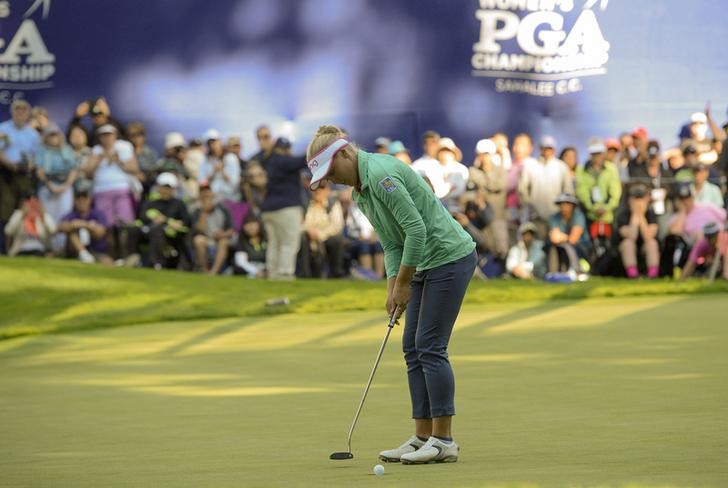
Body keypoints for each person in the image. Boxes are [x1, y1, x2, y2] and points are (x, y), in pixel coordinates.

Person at [305, 125, 476, 464]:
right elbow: (392, 241)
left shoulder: (382, 176)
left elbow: (416, 229)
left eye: (330, 171)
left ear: (344, 154)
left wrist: (403, 284)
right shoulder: (360, 191)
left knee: (430, 346)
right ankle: (422, 435)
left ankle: (444, 440)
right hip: (424, 261)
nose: (330, 180)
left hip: (449, 257)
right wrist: (391, 286)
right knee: (412, 347)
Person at [83, 124, 139, 258]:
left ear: (115, 135)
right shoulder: (96, 151)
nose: (107, 138)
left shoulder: (124, 147)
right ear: (100, 138)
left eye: (109, 135)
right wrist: (98, 160)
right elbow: (87, 173)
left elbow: (134, 168)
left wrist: (119, 161)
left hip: (121, 190)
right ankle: (110, 257)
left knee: (124, 225)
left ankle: (126, 256)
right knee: (106, 226)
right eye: (104, 135)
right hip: (102, 191)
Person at [260, 137, 305, 280]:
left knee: (274, 243)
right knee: (288, 242)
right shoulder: (283, 160)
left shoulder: (269, 161)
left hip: (268, 209)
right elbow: (305, 160)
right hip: (286, 208)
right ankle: (285, 274)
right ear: (286, 149)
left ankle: (273, 274)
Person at [126, 172, 191, 270]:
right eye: (163, 187)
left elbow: (185, 221)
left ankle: (155, 263)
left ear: (173, 189)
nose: (165, 190)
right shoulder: (150, 202)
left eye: (168, 188)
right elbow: (142, 217)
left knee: (156, 230)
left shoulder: (179, 204)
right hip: (148, 230)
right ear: (158, 187)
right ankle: (133, 258)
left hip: (170, 235)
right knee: (133, 229)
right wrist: (153, 219)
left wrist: (170, 222)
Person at [575, 138, 622, 271]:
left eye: (599, 153)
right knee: (589, 244)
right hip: (589, 215)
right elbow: (582, 191)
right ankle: (592, 268)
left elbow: (615, 192)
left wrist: (606, 208)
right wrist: (592, 208)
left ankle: (606, 270)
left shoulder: (611, 169)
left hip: (608, 216)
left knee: (609, 245)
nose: (597, 157)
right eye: (594, 153)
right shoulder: (582, 169)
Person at [0, 99, 40, 253]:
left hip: (25, 176)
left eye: (23, 110)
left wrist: (30, 165)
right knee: (5, 210)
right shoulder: (3, 128)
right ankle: (3, 247)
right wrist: (10, 165)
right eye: (17, 110)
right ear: (12, 112)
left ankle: (21, 248)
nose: (20, 113)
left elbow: (36, 157)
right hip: (6, 174)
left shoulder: (32, 134)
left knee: (23, 209)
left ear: (27, 114)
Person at [518, 135, 572, 238]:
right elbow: (522, 190)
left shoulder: (561, 167)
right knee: (537, 245)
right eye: (544, 148)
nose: (546, 151)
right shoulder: (530, 166)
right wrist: (530, 206)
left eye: (549, 148)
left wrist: (563, 211)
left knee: (555, 247)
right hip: (536, 216)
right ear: (540, 148)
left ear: (554, 149)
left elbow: (568, 191)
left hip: (557, 217)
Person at [35, 125, 78, 235]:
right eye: (50, 136)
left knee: (64, 215)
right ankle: (49, 247)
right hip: (47, 187)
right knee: (48, 216)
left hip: (65, 187)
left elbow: (73, 170)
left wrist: (65, 186)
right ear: (46, 137)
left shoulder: (67, 149)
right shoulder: (42, 150)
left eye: (55, 135)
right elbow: (39, 171)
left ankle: (61, 246)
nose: (53, 138)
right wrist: (50, 186)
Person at [469, 139, 508, 259]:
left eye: (486, 154)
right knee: (482, 247)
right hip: (480, 217)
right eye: (481, 154)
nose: (483, 157)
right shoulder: (473, 170)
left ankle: (504, 273)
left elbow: (498, 185)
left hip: (498, 215)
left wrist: (488, 172)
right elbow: (473, 187)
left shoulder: (501, 169)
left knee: (501, 249)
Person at [298, 181, 346, 278]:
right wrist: (308, 230)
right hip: (308, 236)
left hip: (326, 237)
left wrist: (319, 234)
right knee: (301, 238)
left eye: (321, 188)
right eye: (314, 188)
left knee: (338, 239)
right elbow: (299, 223)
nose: (317, 191)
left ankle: (336, 274)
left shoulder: (333, 204)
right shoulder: (305, 204)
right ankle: (305, 274)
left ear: (328, 190)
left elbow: (337, 226)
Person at [57, 181, 111, 264]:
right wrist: (73, 225)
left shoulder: (97, 213)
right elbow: (59, 227)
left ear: (90, 199)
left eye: (84, 197)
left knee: (107, 261)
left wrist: (85, 225)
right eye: (78, 197)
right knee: (71, 231)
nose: (81, 200)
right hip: (75, 251)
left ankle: (88, 257)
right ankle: (84, 254)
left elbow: (101, 232)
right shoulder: (72, 214)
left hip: (95, 250)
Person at [615, 184, 660, 279]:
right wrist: (635, 215)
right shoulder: (623, 214)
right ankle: (633, 274)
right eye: (636, 198)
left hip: (644, 250)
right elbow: (632, 235)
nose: (639, 202)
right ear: (630, 200)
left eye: (641, 198)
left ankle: (652, 274)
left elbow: (648, 236)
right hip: (622, 255)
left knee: (651, 243)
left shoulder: (650, 214)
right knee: (628, 243)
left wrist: (642, 216)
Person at [339, 187, 384, 279]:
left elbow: (379, 226)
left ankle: (379, 276)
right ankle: (368, 276)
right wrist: (359, 236)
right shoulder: (352, 209)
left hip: (373, 238)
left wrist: (375, 235)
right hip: (356, 240)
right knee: (364, 245)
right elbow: (349, 229)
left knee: (378, 245)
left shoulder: (374, 209)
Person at [191, 184, 234, 275]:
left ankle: (214, 271)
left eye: (208, 195)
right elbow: (199, 229)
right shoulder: (197, 210)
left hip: (220, 239)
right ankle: (204, 270)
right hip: (206, 239)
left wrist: (222, 234)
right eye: (204, 195)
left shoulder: (223, 209)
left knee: (224, 242)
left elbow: (231, 230)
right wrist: (204, 212)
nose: (207, 198)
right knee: (199, 240)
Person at [545, 193, 590, 276]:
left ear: (573, 206)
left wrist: (562, 237)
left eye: (568, 203)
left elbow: (573, 239)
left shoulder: (578, 216)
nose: (565, 206)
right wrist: (566, 238)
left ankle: (577, 270)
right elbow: (554, 238)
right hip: (559, 248)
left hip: (580, 249)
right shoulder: (554, 218)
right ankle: (553, 272)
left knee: (569, 246)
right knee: (554, 247)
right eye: (562, 203)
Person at [198, 129, 240, 203]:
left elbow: (235, 183)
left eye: (215, 142)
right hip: (212, 198)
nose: (213, 145)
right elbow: (202, 184)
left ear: (220, 142)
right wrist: (213, 172)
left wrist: (222, 171)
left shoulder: (231, 158)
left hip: (231, 197)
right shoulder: (205, 162)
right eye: (210, 143)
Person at [127, 122, 159, 192]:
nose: (136, 139)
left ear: (143, 137)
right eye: (133, 136)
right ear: (129, 138)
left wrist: (145, 176)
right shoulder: (126, 152)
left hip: (148, 183)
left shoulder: (151, 152)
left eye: (139, 135)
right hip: (130, 183)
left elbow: (156, 170)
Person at [234, 213, 267, 277]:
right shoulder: (241, 241)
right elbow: (241, 263)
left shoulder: (266, 240)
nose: (251, 227)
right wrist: (256, 271)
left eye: (253, 224)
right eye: (248, 224)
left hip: (265, 268)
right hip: (249, 270)